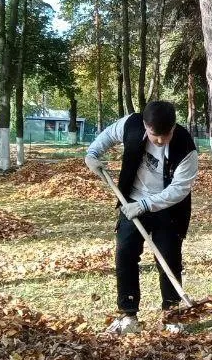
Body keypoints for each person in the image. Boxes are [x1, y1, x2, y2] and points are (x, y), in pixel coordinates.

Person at [85, 100, 199, 334]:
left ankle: (170, 315)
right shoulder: (132, 124)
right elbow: (107, 136)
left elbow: (180, 189)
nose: (159, 141)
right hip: (132, 202)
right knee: (125, 254)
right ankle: (129, 316)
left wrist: (147, 205)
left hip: (168, 207)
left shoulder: (185, 146)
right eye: (154, 135)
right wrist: (92, 154)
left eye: (164, 136)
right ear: (146, 125)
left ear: (173, 127)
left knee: (169, 259)